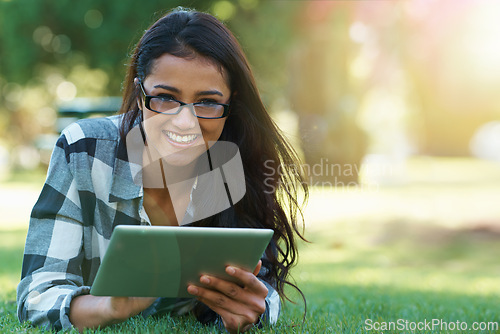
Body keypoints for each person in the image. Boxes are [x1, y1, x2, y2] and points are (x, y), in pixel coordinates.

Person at [17, 7, 308, 333]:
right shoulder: (84, 150)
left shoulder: (238, 163)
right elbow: (37, 296)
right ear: (141, 95)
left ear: (231, 104)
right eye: (166, 98)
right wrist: (110, 307)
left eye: (207, 102)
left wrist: (255, 309)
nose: (186, 122)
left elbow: (262, 287)